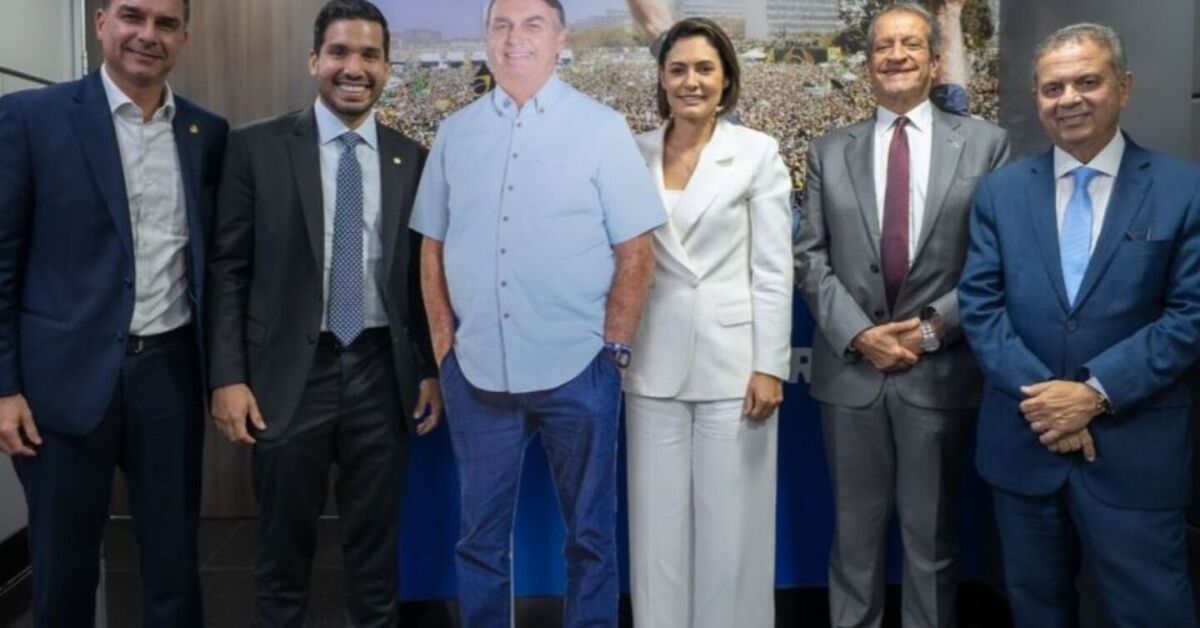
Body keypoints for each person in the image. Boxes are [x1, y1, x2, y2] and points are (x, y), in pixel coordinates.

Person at [409, 0, 664, 624]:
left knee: (590, 536)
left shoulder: (602, 128)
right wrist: (445, 350)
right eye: (501, 25)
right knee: (479, 540)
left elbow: (637, 252)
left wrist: (614, 350)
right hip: (477, 374)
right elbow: (431, 249)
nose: (514, 38)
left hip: (580, 369)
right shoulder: (455, 133)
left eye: (532, 24)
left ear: (560, 39)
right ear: (486, 39)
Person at [205, 0, 440, 625]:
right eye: (339, 52)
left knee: (375, 558)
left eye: (369, 55)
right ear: (314, 60)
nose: (353, 68)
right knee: (282, 556)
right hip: (287, 378)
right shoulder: (255, 148)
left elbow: (418, 282)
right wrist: (227, 377)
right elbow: (228, 269)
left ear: (387, 67)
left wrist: (428, 369)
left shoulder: (411, 158)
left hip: (379, 374)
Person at [958, 23, 1200, 627]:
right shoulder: (1000, 193)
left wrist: (1092, 395)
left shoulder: (1185, 189)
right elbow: (981, 307)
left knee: (1154, 613)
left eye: (1087, 81)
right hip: (1026, 446)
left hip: (1135, 451)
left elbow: (1190, 314)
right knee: (1036, 611)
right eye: (1052, 87)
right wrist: (1050, 406)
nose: (1069, 99)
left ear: (1124, 86)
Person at [0, 0, 227, 625]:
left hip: (170, 376)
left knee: (174, 563)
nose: (147, 35)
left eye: (166, 23)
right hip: (60, 384)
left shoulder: (206, 133)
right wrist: (4, 387)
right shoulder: (31, 119)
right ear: (101, 22)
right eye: (132, 16)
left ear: (184, 37)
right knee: (64, 569)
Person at [793, 4, 1008, 627]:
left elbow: (995, 259)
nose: (896, 55)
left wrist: (934, 328)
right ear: (867, 64)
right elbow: (809, 257)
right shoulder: (828, 150)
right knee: (853, 542)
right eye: (883, 46)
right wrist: (860, 334)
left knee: (932, 543)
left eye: (910, 44)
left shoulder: (987, 145)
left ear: (935, 60)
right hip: (851, 376)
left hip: (939, 374)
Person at [622, 18, 792, 628]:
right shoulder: (631, 151)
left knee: (733, 528)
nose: (690, 81)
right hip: (650, 363)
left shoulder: (757, 152)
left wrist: (769, 365)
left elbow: (773, 267)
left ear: (726, 79)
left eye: (703, 69)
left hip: (735, 367)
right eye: (677, 70)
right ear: (661, 79)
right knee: (655, 531)